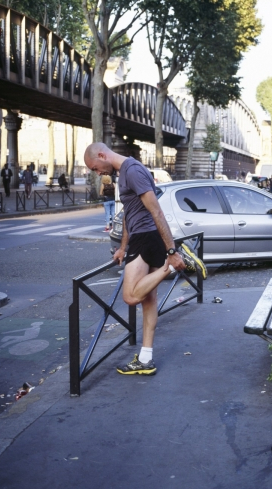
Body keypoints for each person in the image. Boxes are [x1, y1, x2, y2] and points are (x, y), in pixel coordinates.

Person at [83, 142, 200, 376]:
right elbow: (130, 211)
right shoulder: (124, 173)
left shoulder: (132, 171)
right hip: (143, 237)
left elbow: (155, 210)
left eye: (95, 168)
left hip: (146, 238)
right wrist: (122, 248)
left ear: (102, 155)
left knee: (131, 296)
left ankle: (171, 264)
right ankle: (146, 359)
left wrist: (171, 252)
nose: (98, 173)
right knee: (149, 301)